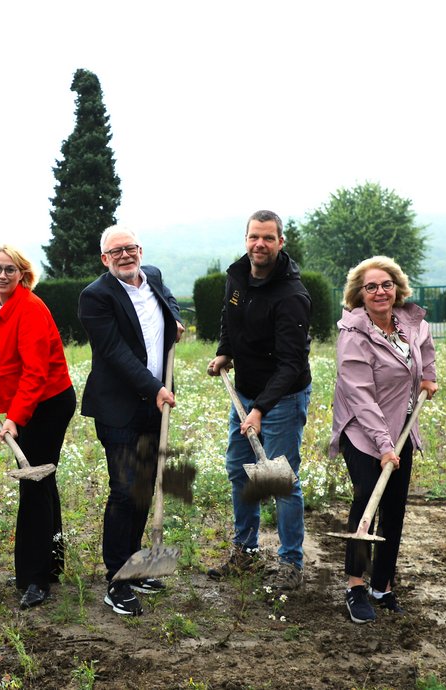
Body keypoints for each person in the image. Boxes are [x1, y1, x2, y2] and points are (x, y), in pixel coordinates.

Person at [79, 225, 184, 616]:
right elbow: (115, 353)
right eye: (115, 251)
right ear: (105, 259)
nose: (125, 255)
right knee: (124, 491)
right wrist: (153, 387)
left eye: (130, 248)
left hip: (156, 406)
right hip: (118, 407)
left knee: (143, 487)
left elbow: (169, 301)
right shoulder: (95, 296)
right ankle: (116, 580)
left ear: (140, 250)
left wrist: (173, 321)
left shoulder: (153, 275)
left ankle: (136, 565)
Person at [206, 209, 312, 591]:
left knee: (279, 479)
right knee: (239, 469)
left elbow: (291, 364)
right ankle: (246, 554)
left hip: (283, 397)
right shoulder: (237, 276)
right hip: (247, 393)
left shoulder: (292, 296)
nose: (259, 245)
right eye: (254, 237)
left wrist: (260, 410)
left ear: (281, 242)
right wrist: (224, 352)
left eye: (268, 238)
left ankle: (290, 563)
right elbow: (228, 319)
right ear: (246, 239)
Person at [330, 255, 437, 624]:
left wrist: (428, 377)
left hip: (402, 424)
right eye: (371, 286)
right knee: (367, 502)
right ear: (359, 294)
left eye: (386, 284)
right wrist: (383, 445)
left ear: (397, 288)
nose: (380, 291)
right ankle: (355, 586)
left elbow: (425, 350)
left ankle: (383, 585)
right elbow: (360, 396)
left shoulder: (410, 321)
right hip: (362, 431)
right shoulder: (353, 335)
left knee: (394, 507)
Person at [0, 245, 75, 610]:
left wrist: (16, 417)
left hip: (47, 404)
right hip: (24, 404)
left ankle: (35, 579)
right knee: (43, 482)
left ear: (23, 274)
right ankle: (53, 563)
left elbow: (35, 371)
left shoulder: (29, 308)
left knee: (33, 485)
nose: (2, 275)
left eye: (10, 270)